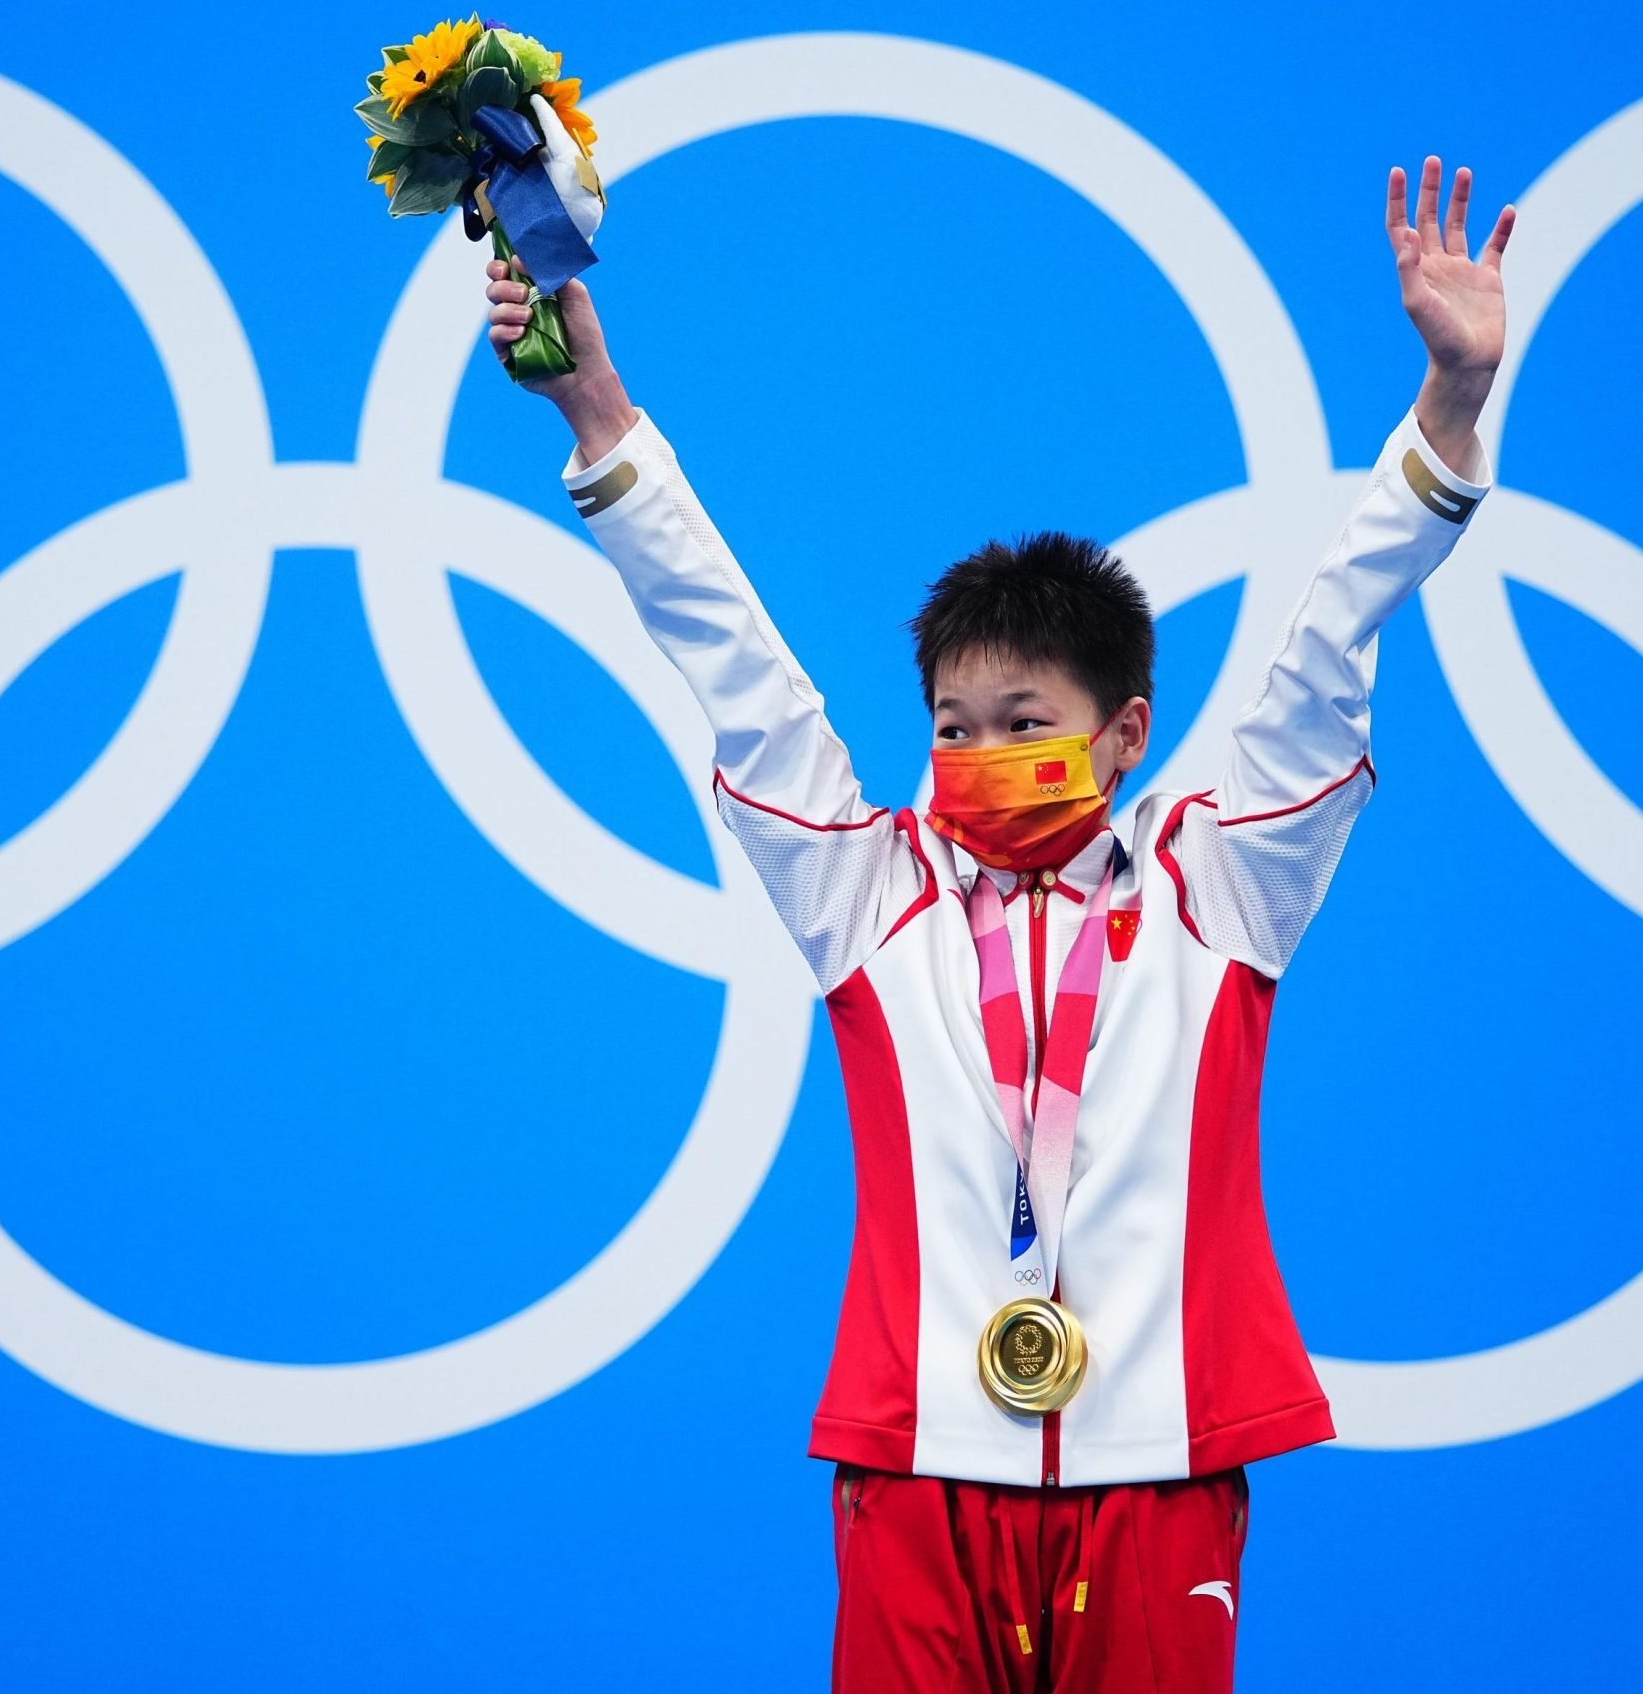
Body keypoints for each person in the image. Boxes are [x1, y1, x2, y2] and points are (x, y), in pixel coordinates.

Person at [487, 157, 1515, 1693]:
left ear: (1126, 736)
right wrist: (598, 425)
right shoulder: (869, 893)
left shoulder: (1218, 887)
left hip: (1160, 1468)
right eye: (953, 726)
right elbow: (737, 667)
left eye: (1023, 719)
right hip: (918, 1463)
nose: (977, 757)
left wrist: (1446, 407)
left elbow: (1328, 644)